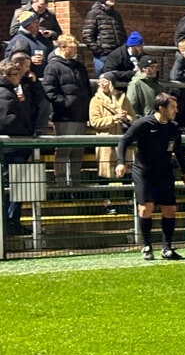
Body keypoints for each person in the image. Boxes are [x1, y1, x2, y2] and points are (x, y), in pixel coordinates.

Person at [115, 93, 185, 260]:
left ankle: (167, 248)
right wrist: (121, 162)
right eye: (172, 107)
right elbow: (124, 141)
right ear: (161, 108)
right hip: (144, 172)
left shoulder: (173, 127)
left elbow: (177, 151)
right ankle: (146, 246)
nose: (176, 111)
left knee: (170, 210)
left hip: (164, 172)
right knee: (146, 208)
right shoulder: (143, 124)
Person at [42, 34, 92, 192]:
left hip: (80, 116)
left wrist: (86, 109)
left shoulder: (79, 67)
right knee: (64, 151)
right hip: (64, 116)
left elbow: (87, 89)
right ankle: (62, 185)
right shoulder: (53, 66)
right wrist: (65, 104)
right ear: (63, 48)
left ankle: (75, 184)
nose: (76, 49)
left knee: (78, 151)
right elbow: (49, 91)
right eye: (73, 47)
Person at [88, 72, 135, 214]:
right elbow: (94, 122)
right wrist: (113, 118)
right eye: (100, 81)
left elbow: (133, 116)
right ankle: (107, 203)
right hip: (105, 140)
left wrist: (126, 118)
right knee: (105, 174)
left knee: (126, 171)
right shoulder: (95, 101)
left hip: (122, 139)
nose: (102, 84)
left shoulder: (122, 98)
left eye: (105, 81)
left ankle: (129, 202)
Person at [0, 58, 36, 234]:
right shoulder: (5, 94)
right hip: (12, 149)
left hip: (15, 148)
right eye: (15, 75)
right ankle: (9, 223)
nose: (18, 78)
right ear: (5, 75)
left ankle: (11, 222)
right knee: (12, 188)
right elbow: (8, 120)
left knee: (17, 188)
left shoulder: (11, 91)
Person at [81, 0, 126, 77]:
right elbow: (87, 35)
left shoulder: (116, 15)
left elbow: (122, 33)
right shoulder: (94, 13)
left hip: (117, 55)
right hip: (102, 56)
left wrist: (123, 50)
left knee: (118, 83)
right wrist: (99, 51)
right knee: (103, 81)